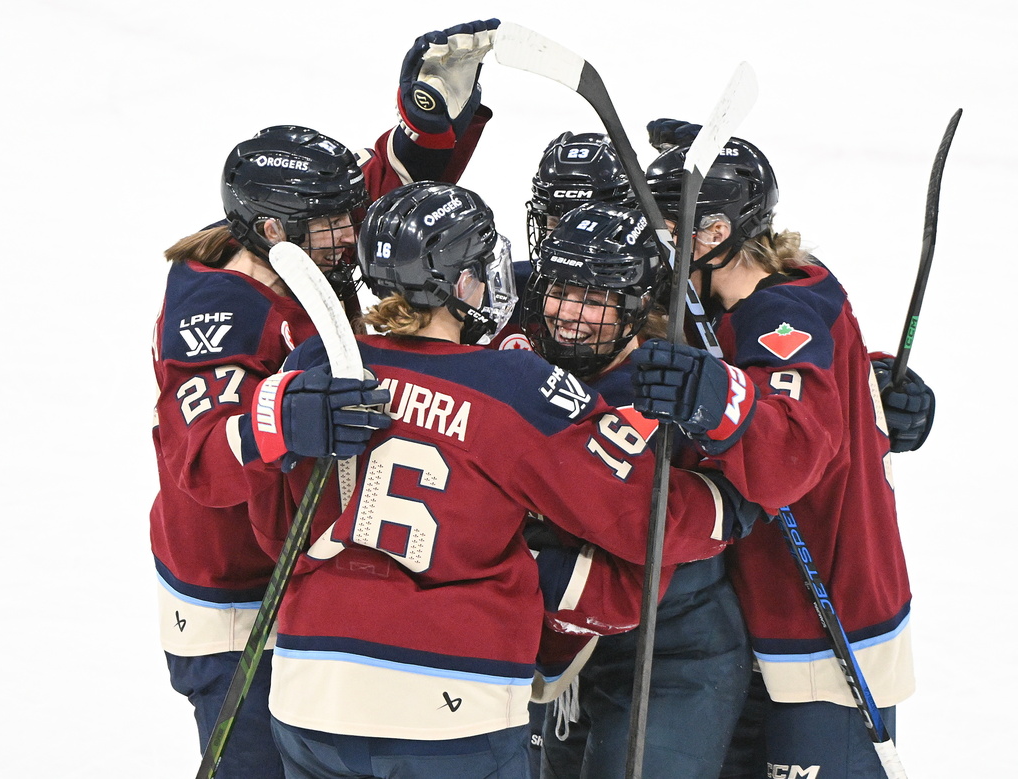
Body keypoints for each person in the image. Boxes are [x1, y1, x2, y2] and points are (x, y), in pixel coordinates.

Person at [240, 181, 764, 779]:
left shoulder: (314, 366)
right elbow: (642, 518)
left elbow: (275, 528)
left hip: (313, 690)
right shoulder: (515, 385)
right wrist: (730, 505)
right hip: (454, 703)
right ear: (460, 282)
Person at [149, 20, 499, 776]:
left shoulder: (297, 241)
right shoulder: (219, 307)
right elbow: (200, 456)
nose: (353, 234)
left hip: (302, 577)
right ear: (273, 227)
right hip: (234, 595)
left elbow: (386, 196)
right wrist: (288, 417)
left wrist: (432, 125)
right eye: (334, 223)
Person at [631, 123, 927, 779]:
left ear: (728, 234)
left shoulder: (779, 313)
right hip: (767, 612)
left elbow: (786, 463)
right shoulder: (789, 279)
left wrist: (713, 396)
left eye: (691, 227)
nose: (669, 245)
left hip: (824, 628)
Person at [519, 198, 754, 779]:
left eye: (597, 298)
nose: (570, 312)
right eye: (562, 290)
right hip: (568, 643)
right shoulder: (522, 352)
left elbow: (790, 436)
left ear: (641, 305)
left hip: (673, 647)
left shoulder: (669, 384)